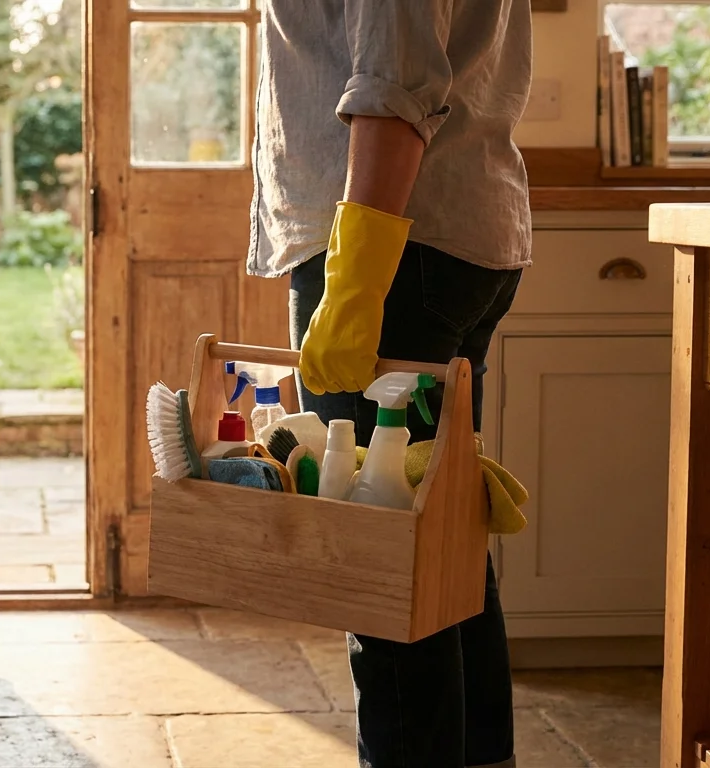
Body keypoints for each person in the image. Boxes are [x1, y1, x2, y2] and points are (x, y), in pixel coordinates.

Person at [247, 2, 533, 766]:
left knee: (381, 564)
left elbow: (393, 89)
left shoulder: (375, 268)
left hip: (393, 249)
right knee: (439, 543)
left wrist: (355, 285)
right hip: (444, 240)